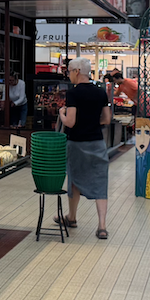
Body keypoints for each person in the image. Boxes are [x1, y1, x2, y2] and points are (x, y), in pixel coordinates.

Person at [58, 57, 111, 239]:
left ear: (77, 71)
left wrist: (62, 114)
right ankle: (102, 226)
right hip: (97, 143)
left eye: (70, 71)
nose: (69, 75)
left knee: (74, 180)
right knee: (100, 181)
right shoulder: (100, 92)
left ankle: (72, 217)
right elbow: (107, 119)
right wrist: (92, 122)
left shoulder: (73, 93)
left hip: (77, 143)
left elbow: (70, 122)